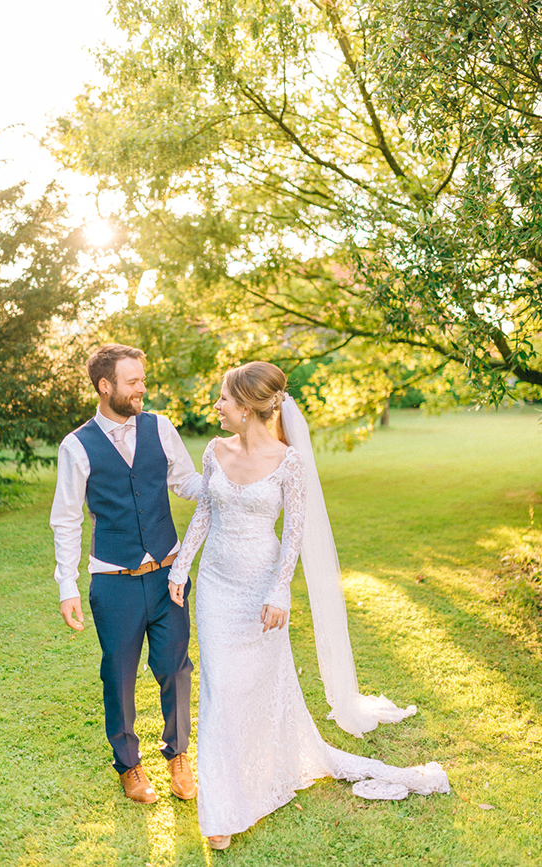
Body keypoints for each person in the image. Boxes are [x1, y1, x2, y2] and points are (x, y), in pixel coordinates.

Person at [168, 362, 450, 850]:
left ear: (251, 408)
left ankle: (264, 771)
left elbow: (293, 534)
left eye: (224, 400)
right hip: (216, 586)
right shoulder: (214, 450)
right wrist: (181, 567)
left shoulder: (289, 462)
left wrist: (280, 590)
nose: (216, 406)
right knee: (219, 688)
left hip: (261, 590)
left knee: (255, 687)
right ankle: (222, 809)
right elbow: (206, 513)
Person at [50, 343, 202, 804]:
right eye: (133, 381)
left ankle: (177, 756)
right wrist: (66, 586)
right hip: (113, 582)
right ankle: (130, 766)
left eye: (141, 379)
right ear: (105, 386)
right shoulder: (76, 445)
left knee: (176, 669)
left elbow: (187, 482)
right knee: (118, 674)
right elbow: (67, 517)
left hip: (167, 575)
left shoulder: (161, 427)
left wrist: (231, 474)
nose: (142, 388)